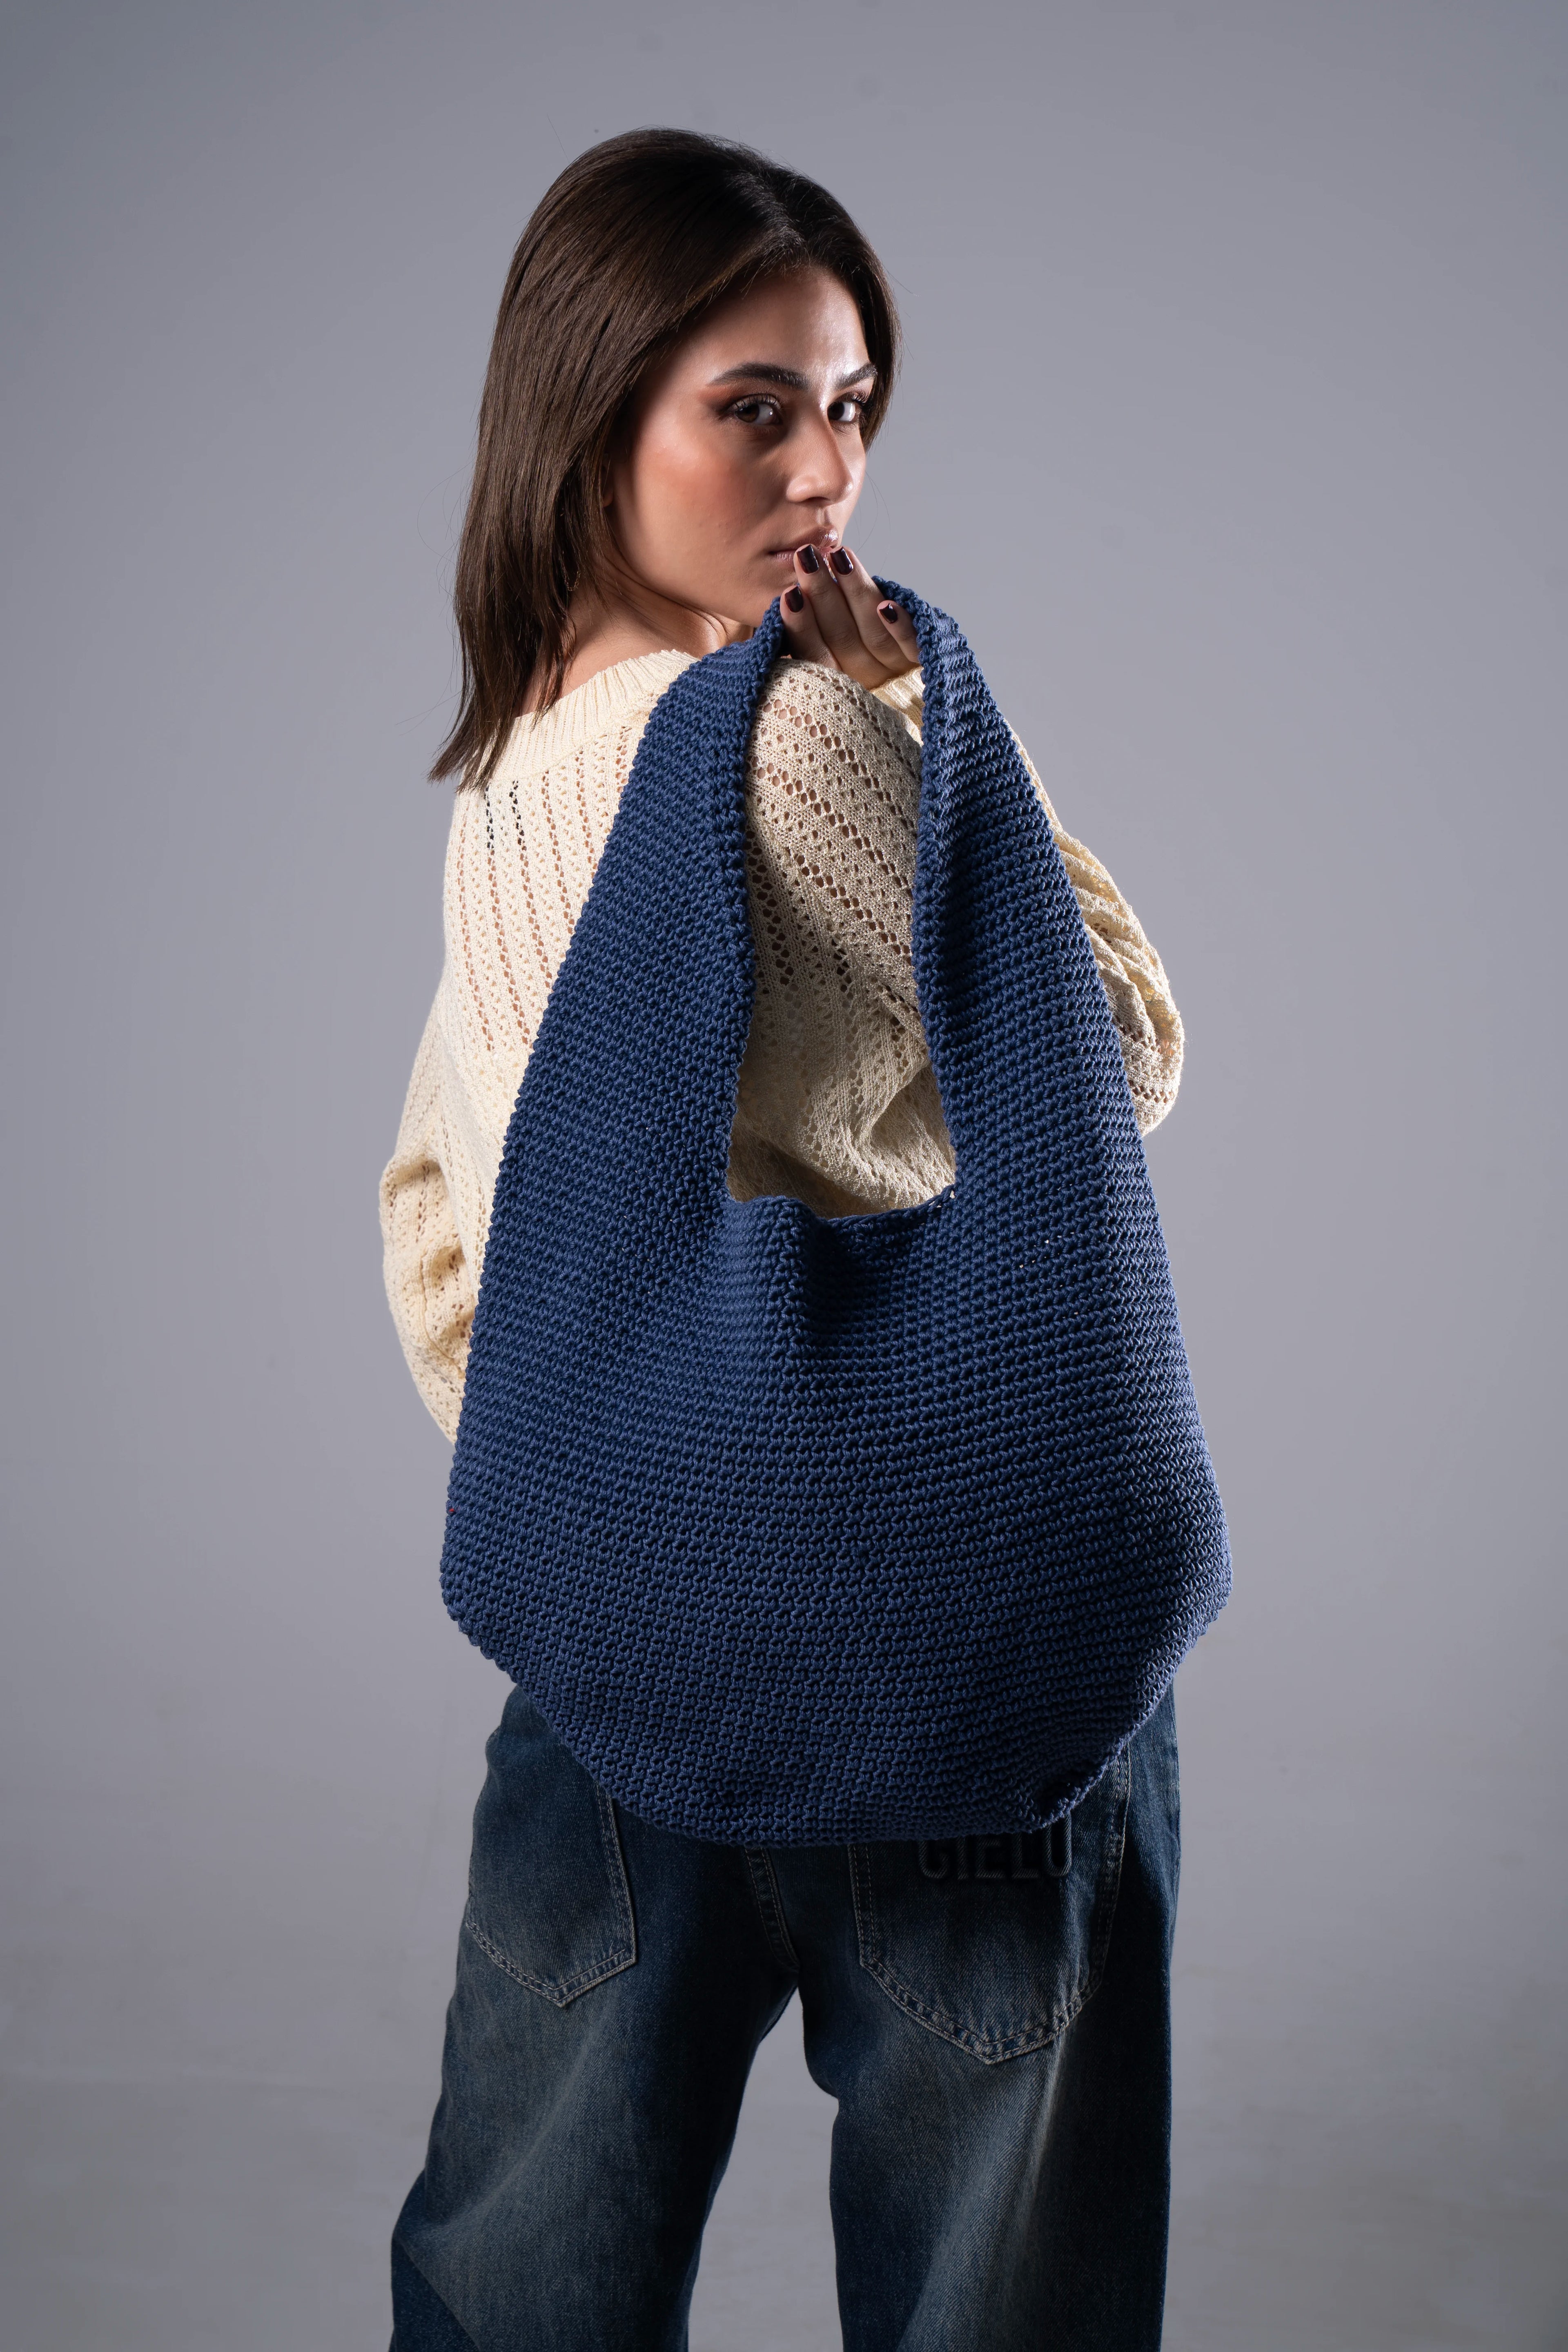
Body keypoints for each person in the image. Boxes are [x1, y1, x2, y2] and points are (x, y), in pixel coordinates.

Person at [381, 128, 1186, 2352]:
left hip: (619, 1667)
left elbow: (438, 1219)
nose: (822, 469)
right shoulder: (800, 742)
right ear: (593, 415)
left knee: (520, 2282)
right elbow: (1114, 1054)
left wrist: (618, 1479)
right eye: (754, 409)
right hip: (955, 1658)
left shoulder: (516, 771)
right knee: (991, 2301)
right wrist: (935, 719)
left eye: (850, 408)